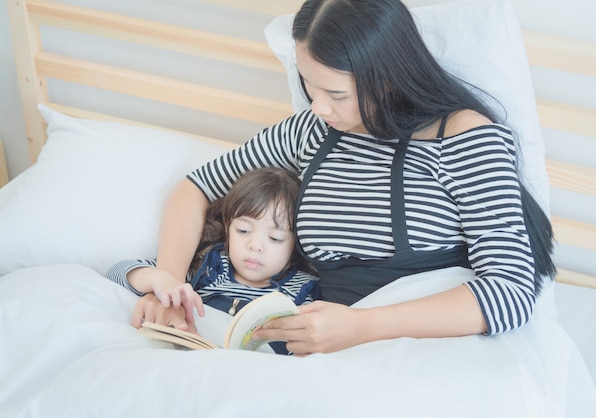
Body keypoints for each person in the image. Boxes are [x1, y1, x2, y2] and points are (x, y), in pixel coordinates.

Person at [130, 0, 555, 355]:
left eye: (336, 94)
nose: (318, 107)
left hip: (427, 345)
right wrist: (169, 284)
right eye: (309, 86)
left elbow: (511, 290)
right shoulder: (310, 132)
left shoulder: (464, 136)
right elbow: (196, 187)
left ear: (389, 76)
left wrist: (362, 327)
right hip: (322, 347)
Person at [106, 167, 319, 344]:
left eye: (274, 238)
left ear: (296, 244)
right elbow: (115, 274)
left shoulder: (305, 292)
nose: (255, 245)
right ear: (227, 227)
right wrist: (159, 279)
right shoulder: (206, 267)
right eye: (243, 231)